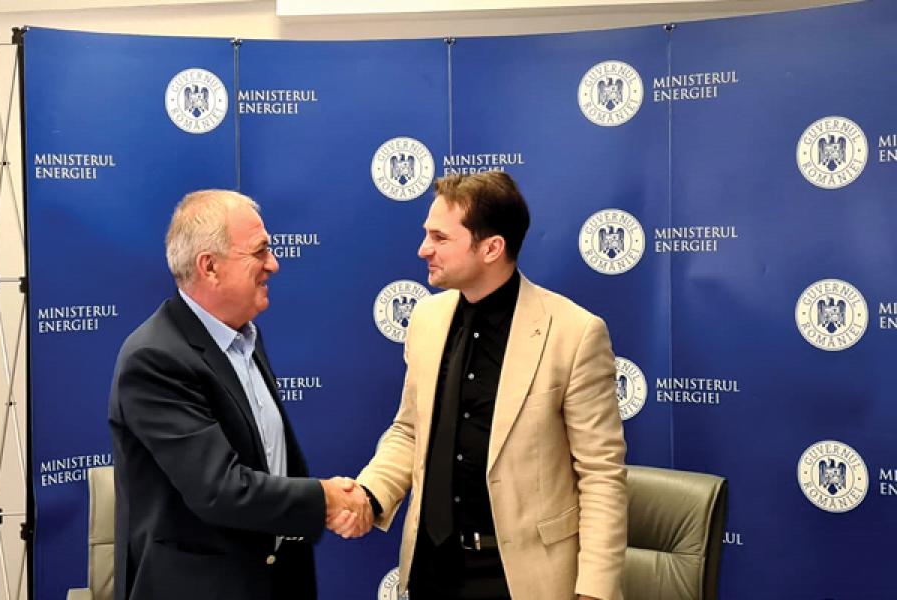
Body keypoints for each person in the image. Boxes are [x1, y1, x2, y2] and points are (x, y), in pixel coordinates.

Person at [354, 172, 627, 600]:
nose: (423, 249)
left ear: (491, 248)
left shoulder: (574, 333)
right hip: (432, 570)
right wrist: (369, 495)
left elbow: (600, 474)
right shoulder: (426, 320)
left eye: (440, 238)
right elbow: (410, 431)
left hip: (521, 580)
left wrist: (594, 591)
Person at [108, 189, 369, 600]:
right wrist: (325, 499)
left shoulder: (246, 337)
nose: (274, 264)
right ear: (209, 267)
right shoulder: (155, 358)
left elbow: (270, 460)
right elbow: (219, 489)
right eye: (260, 251)